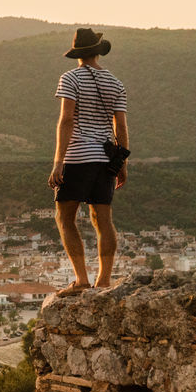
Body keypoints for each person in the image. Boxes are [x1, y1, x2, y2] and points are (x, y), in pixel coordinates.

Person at [47, 28, 128, 296]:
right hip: (106, 158)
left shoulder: (70, 79)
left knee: (64, 217)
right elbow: (121, 126)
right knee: (103, 219)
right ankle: (104, 280)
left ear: (77, 54)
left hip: (79, 156)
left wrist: (59, 162)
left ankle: (81, 279)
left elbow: (67, 120)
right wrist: (122, 163)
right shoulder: (115, 83)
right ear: (97, 51)